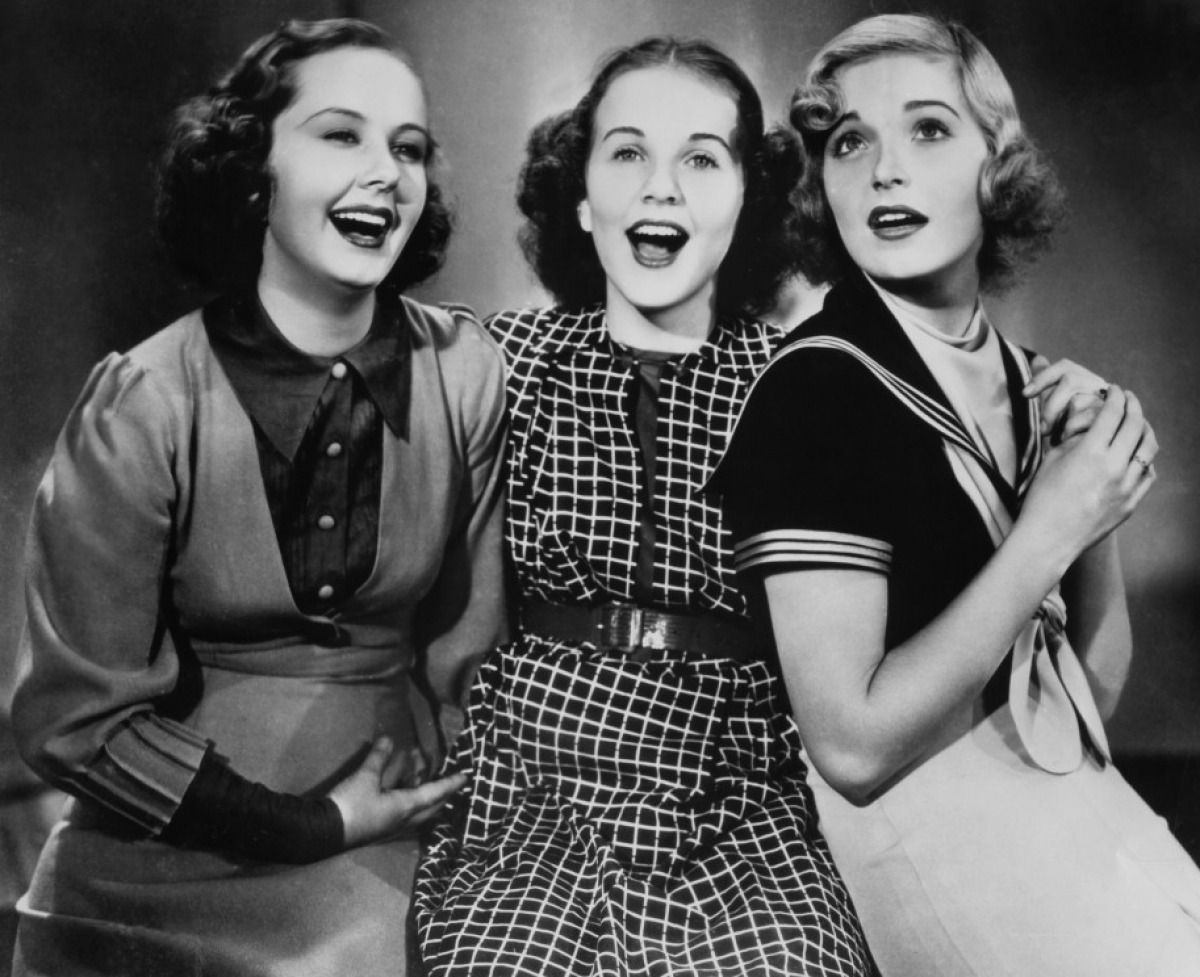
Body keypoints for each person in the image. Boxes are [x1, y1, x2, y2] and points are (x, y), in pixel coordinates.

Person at [10, 18, 506, 977]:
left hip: (394, 822)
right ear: (250, 172)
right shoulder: (143, 402)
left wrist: (456, 811)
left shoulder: (465, 372)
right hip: (156, 846)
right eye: (341, 134)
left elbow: (471, 654)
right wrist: (309, 822)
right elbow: (72, 720)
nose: (386, 173)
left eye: (408, 148)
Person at [715, 13, 1200, 976]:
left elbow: (1090, 694)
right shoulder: (815, 389)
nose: (884, 170)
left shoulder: (1026, 377)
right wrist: (1053, 521)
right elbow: (852, 751)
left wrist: (1091, 504)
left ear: (998, 166)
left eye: (929, 129)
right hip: (939, 849)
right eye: (849, 142)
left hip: (1079, 811)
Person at [413, 35, 878, 977]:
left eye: (701, 160)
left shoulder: (800, 382)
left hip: (732, 789)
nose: (660, 189)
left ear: (747, 199)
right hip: (530, 781)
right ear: (582, 196)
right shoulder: (499, 360)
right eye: (627, 153)